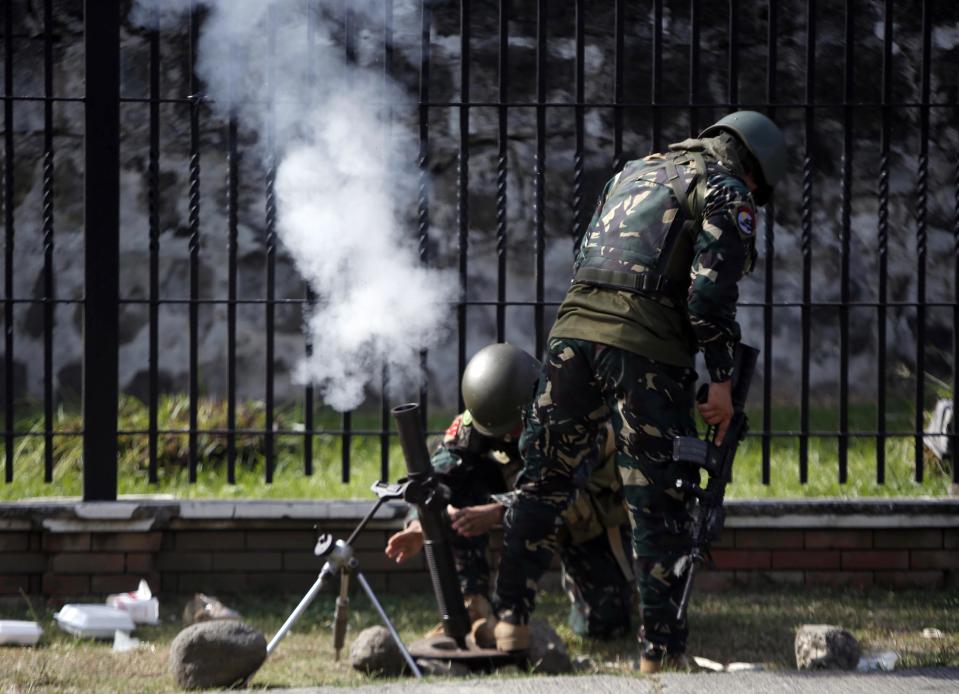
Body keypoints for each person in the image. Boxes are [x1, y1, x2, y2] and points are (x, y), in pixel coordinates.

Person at [490, 111, 787, 670]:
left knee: (543, 482)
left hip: (569, 338)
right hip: (645, 353)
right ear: (756, 172)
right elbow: (708, 299)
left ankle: (510, 621)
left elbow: (587, 258)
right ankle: (659, 654)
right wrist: (720, 382)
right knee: (656, 499)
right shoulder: (724, 190)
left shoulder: (634, 171)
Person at [385, 342, 635, 643]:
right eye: (500, 431)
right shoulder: (488, 412)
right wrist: (420, 522)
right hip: (522, 494)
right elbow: (439, 471)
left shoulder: (573, 418)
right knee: (459, 487)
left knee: (606, 624)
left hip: (585, 514)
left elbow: (558, 491)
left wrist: (498, 512)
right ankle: (473, 603)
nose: (507, 437)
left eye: (513, 428)